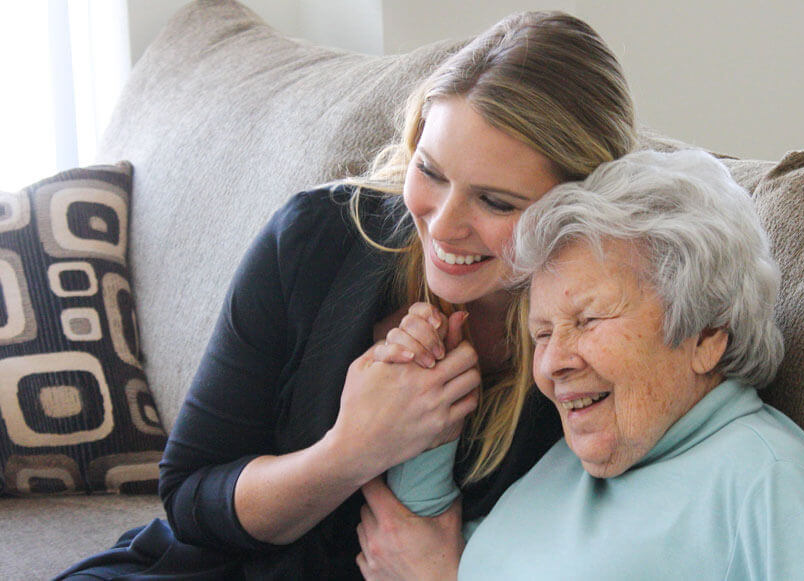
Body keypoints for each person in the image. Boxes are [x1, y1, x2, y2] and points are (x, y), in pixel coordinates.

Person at [56, 10, 636, 580]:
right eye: (430, 172)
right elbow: (190, 497)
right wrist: (350, 450)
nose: (442, 224)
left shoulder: (604, 348)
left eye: (496, 202)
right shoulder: (315, 238)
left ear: (577, 210)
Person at [357, 150, 804, 579]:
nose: (552, 365)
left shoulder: (761, 477)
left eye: (588, 320)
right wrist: (432, 395)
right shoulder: (575, 458)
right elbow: (416, 541)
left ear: (707, 334)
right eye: (542, 333)